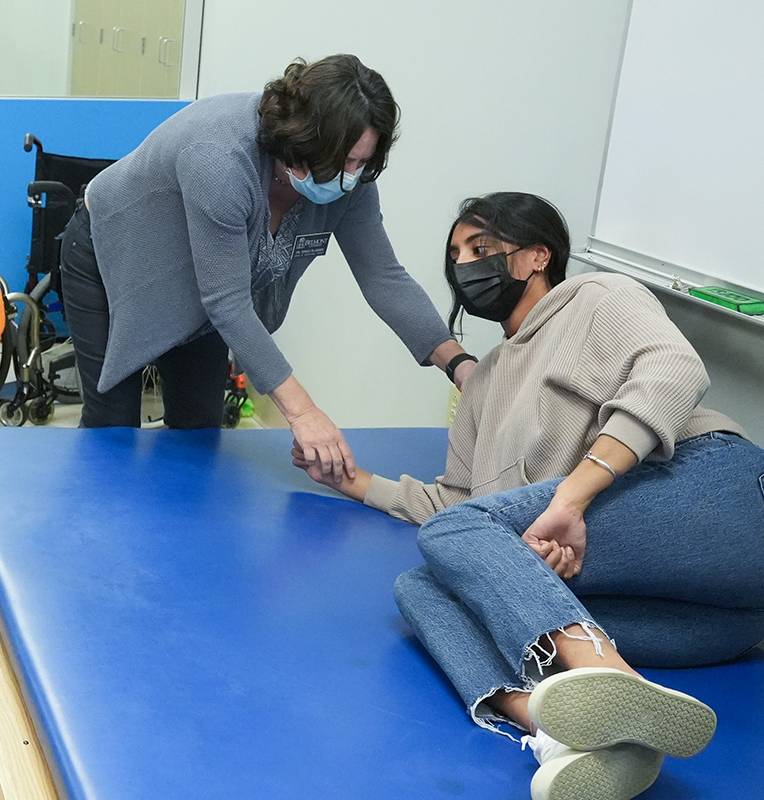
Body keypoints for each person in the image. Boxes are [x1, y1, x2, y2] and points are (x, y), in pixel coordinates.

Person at [293, 191, 764, 800]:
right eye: (456, 254)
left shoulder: (597, 298)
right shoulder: (482, 382)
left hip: (721, 494)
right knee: (421, 586)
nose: (464, 265)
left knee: (457, 540)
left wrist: (570, 501)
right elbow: (455, 506)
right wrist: (352, 483)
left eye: (481, 249)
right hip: (723, 619)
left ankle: (604, 673)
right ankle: (566, 734)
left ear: (537, 256)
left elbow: (675, 370)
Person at [59, 54, 476, 481]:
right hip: (113, 256)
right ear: (300, 144)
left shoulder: (349, 181)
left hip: (203, 284)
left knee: (199, 429)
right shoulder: (219, 159)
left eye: (361, 161)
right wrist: (303, 411)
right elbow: (228, 302)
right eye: (343, 161)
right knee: (113, 426)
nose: (351, 177)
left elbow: (383, 277)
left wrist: (460, 365)